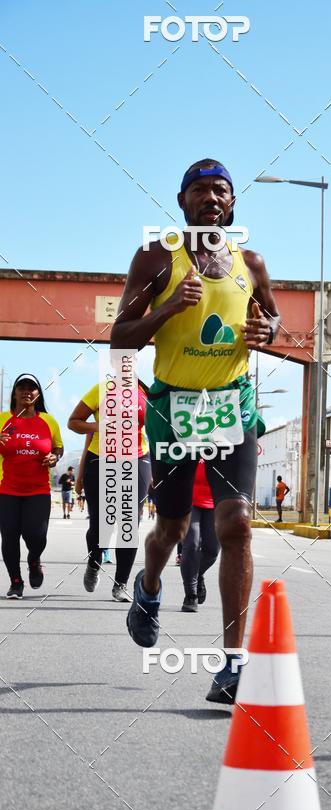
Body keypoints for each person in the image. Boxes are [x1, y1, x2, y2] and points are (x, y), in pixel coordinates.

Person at [110, 158, 280, 703]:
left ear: (232, 204)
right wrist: (166, 310)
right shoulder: (156, 258)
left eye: (221, 191)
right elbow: (120, 338)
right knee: (173, 528)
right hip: (173, 408)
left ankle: (232, 664)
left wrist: (266, 329)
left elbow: (274, 319)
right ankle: (149, 587)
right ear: (182, 200)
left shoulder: (251, 262)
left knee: (237, 525)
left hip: (232, 405)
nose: (211, 198)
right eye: (201, 190)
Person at [68, 381, 151, 602]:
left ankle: (120, 584)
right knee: (100, 525)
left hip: (138, 459)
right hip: (101, 459)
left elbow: (160, 428)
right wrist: (98, 426)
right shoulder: (101, 389)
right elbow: (73, 422)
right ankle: (94, 561)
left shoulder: (146, 394)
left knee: (129, 523)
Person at [0, 374, 63, 597]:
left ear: (38, 394)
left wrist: (55, 457)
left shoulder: (49, 421)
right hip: (7, 488)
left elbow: (57, 447)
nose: (26, 391)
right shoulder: (3, 419)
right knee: (9, 535)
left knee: (36, 535)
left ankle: (34, 559)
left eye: (31, 388)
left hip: (38, 490)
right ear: (14, 393)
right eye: (22, 387)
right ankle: (16, 582)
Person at [180, 460, 219, 612]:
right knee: (192, 544)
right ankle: (191, 595)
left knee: (212, 550)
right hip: (187, 497)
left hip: (216, 499)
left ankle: (198, 574)